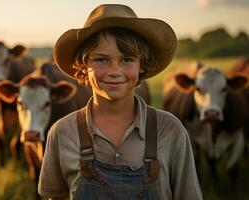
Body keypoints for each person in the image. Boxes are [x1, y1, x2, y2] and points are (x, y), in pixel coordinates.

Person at [38, 4, 202, 200]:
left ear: (142, 65)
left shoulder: (170, 130)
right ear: (83, 66)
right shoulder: (62, 133)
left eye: (126, 60)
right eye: (101, 60)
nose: (114, 71)